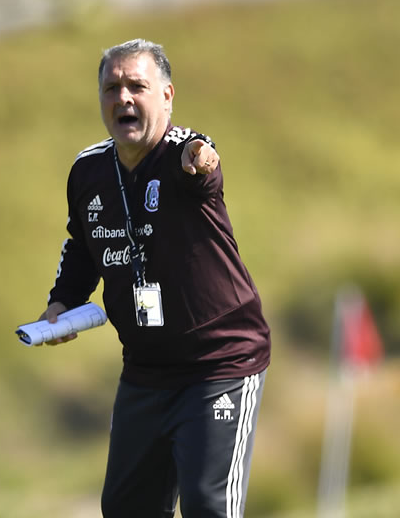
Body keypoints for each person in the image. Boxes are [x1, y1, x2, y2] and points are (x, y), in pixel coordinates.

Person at [37, 39, 271, 517]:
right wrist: (61, 302)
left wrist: (200, 160)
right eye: (112, 87)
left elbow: (203, 164)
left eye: (137, 86)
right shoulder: (88, 170)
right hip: (144, 370)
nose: (123, 97)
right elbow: (82, 244)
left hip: (218, 364)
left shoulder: (183, 153)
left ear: (166, 95)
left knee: (210, 507)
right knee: (126, 508)